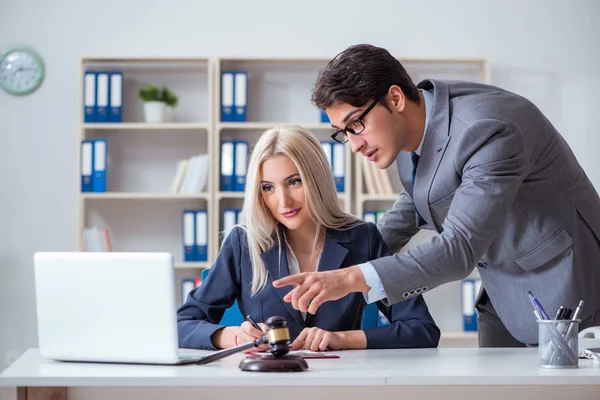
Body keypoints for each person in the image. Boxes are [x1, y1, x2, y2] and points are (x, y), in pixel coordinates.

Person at [273, 44, 600, 348]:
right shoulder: (409, 124)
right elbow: (418, 198)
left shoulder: (488, 129)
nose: (354, 145)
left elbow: (459, 249)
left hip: (565, 286)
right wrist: (339, 257)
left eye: (356, 124)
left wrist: (351, 278)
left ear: (396, 98)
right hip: (504, 289)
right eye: (343, 133)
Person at [177, 125, 440, 351]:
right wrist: (231, 335)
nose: (283, 201)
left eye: (294, 182)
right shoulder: (244, 243)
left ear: (316, 179)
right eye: (268, 188)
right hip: (263, 384)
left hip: (336, 383)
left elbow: (421, 329)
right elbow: (182, 325)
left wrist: (340, 338)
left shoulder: (363, 238)